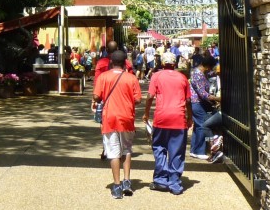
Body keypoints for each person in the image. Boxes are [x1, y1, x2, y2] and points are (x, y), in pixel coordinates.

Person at [91, 50, 141, 199]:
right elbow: (137, 99)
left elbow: (96, 96)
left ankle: (117, 185)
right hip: (126, 116)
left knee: (113, 152)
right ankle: (127, 181)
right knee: (126, 149)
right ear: (125, 62)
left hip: (110, 117)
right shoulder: (131, 78)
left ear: (111, 62)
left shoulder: (103, 77)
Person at [143, 51, 192, 194]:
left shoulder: (156, 76)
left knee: (159, 147)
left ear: (162, 63)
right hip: (178, 118)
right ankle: (175, 182)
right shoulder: (183, 78)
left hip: (161, 118)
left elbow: (150, 96)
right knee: (177, 151)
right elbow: (188, 100)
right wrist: (190, 117)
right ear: (174, 63)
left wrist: (146, 113)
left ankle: (161, 179)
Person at [188, 53, 218, 159]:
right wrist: (216, 98)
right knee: (202, 126)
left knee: (197, 127)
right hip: (198, 103)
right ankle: (200, 150)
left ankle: (194, 150)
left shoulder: (200, 73)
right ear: (207, 65)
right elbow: (203, 94)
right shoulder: (198, 75)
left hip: (198, 103)